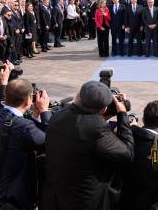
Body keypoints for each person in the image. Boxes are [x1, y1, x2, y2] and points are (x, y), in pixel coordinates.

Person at [43, 81, 134, 210]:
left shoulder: (59, 114)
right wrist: (122, 114)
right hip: (82, 200)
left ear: (79, 96)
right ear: (103, 109)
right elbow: (127, 153)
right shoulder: (96, 127)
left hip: (55, 196)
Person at [0, 79, 51, 210]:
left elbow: (27, 137)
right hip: (13, 196)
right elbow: (48, 142)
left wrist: (35, 117)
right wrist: (44, 112)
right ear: (28, 100)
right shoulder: (23, 126)